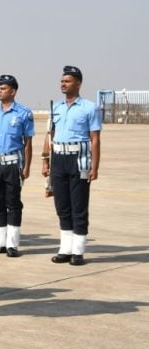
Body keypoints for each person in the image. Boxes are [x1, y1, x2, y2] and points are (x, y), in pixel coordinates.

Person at [45, 66, 102, 266]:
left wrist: (95, 166)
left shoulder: (89, 107)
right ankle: (65, 248)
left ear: (78, 83)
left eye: (67, 81)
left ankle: (78, 251)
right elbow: (50, 136)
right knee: (62, 206)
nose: (63, 84)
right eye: (62, 81)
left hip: (79, 160)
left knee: (78, 206)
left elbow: (95, 139)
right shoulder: (56, 108)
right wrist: (46, 161)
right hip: (59, 159)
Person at [0, 75, 35, 257]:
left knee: (13, 203)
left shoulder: (23, 113)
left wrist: (26, 166)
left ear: (13, 91)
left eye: (3, 88)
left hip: (12, 164)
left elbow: (27, 142)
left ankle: (12, 244)